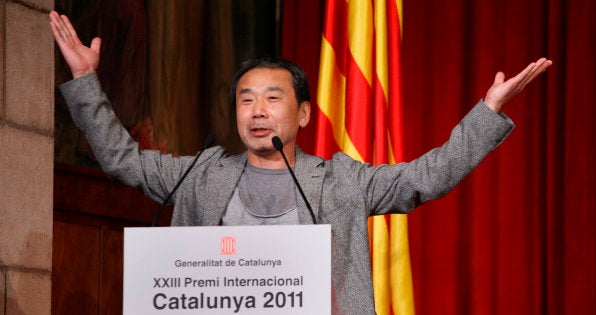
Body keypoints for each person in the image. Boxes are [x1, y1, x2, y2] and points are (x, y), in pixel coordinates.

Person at [50, 10, 552, 314]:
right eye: (246, 100)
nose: (258, 111)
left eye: (273, 98)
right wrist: (85, 83)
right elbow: (120, 158)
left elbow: (428, 175)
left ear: (305, 112)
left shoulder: (341, 180)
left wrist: (486, 114)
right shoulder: (199, 174)